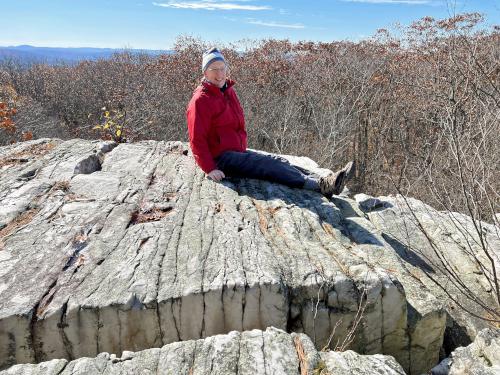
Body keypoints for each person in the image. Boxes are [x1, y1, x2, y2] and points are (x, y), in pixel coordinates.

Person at [186, 47, 355, 198]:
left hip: (235, 151)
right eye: (213, 69)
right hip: (220, 159)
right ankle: (320, 187)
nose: (219, 73)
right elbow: (196, 139)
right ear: (205, 73)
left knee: (278, 160)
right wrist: (210, 168)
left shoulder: (227, 91)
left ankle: (326, 180)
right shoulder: (200, 100)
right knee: (267, 165)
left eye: (222, 68)